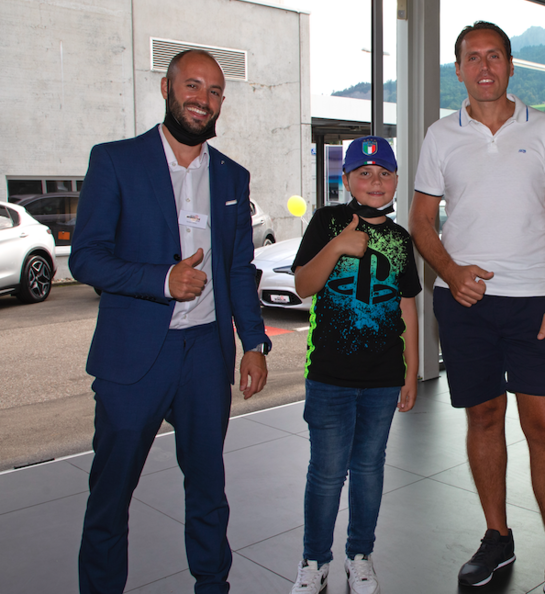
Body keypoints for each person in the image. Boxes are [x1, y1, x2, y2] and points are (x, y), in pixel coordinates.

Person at [71, 49, 271, 594]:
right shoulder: (115, 161)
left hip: (204, 356)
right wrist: (162, 280)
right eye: (192, 85)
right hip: (134, 357)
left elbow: (237, 268)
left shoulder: (232, 176)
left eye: (213, 91)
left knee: (208, 486)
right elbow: (85, 257)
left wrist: (253, 342)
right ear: (167, 88)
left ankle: (213, 585)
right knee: (111, 492)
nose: (201, 99)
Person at [409, 21, 545, 594]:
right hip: (465, 303)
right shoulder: (441, 136)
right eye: (472, 58)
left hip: (536, 300)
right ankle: (497, 535)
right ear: (458, 69)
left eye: (494, 56)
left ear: (510, 65)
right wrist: (451, 272)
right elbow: (420, 220)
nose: (484, 67)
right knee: (483, 418)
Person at [287, 136, 421, 594]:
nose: (375, 181)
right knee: (326, 471)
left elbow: (407, 307)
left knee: (369, 467)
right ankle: (314, 560)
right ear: (346, 180)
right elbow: (304, 285)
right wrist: (340, 246)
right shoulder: (327, 222)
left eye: (385, 172)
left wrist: (411, 370)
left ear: (397, 180)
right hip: (329, 376)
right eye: (364, 173)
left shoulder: (401, 239)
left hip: (383, 378)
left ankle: (359, 555)